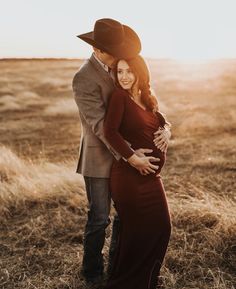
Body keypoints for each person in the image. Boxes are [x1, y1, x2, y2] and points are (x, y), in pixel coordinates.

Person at [72, 18, 171, 286]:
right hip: (99, 158)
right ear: (98, 49)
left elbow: (143, 103)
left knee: (125, 217)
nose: (119, 53)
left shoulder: (121, 67)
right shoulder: (84, 78)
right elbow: (100, 127)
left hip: (126, 158)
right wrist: (130, 155)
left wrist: (166, 127)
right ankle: (92, 272)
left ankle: (118, 264)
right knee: (99, 218)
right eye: (113, 48)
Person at [103, 56, 171, 289]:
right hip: (128, 178)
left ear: (140, 73)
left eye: (129, 71)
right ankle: (125, 283)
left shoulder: (146, 98)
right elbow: (110, 132)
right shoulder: (119, 97)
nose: (123, 76)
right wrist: (133, 159)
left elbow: (161, 120)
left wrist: (167, 130)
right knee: (135, 234)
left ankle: (145, 281)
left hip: (152, 179)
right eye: (120, 71)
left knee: (162, 227)